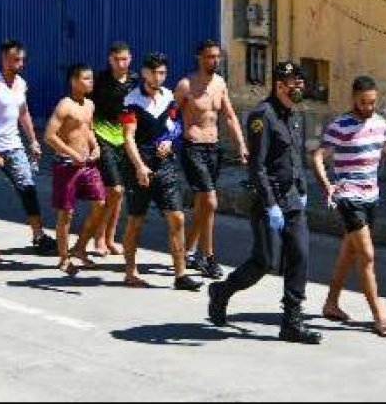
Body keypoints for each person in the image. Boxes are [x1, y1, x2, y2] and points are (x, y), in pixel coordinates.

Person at [207, 61, 320, 343]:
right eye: (294, 83)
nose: (299, 88)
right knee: (265, 262)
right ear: (280, 85)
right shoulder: (262, 116)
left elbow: (295, 157)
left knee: (300, 255)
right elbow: (257, 166)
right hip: (267, 199)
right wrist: (270, 204)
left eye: (301, 83)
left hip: (293, 198)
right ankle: (222, 292)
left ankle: (292, 321)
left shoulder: (295, 116)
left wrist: (303, 188)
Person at [313, 76, 386, 337]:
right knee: (366, 255)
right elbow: (318, 156)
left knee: (349, 253)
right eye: (363, 102)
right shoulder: (340, 126)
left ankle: (331, 303)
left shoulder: (379, 124)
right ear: (354, 98)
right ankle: (379, 316)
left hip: (371, 198)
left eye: (373, 102)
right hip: (348, 197)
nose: (368, 107)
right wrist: (327, 184)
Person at [120, 52, 201, 292]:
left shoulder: (168, 97)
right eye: (154, 72)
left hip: (165, 165)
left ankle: (181, 275)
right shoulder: (131, 100)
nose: (159, 77)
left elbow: (175, 124)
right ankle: (130, 271)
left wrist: (169, 139)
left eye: (163, 72)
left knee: (177, 217)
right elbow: (128, 138)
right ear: (144, 73)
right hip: (139, 167)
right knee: (136, 220)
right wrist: (139, 166)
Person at [176, 39, 248, 280]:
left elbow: (228, 116)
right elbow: (169, 116)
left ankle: (187, 252)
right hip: (192, 147)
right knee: (211, 201)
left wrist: (241, 143)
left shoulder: (220, 84)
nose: (214, 61)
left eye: (217, 57)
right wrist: (164, 142)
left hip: (213, 148)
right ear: (200, 58)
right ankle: (208, 257)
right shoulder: (186, 85)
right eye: (209, 57)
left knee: (203, 205)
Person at [0, 40, 57, 255]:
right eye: (15, 60)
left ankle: (39, 236)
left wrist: (32, 140)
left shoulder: (21, 83)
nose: (19, 64)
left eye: (22, 60)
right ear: (4, 59)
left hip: (14, 146)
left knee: (27, 188)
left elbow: (23, 112)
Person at [43, 64, 108, 276]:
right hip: (66, 166)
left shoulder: (89, 104)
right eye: (86, 78)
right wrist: (72, 154)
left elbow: (87, 129)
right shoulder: (65, 106)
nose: (91, 82)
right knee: (66, 214)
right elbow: (50, 136)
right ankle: (63, 258)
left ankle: (80, 247)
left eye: (92, 78)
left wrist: (95, 146)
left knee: (101, 202)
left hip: (87, 164)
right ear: (74, 81)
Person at [89, 41, 138, 257]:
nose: (121, 63)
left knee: (119, 194)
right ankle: (98, 237)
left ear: (130, 58)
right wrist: (89, 140)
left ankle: (110, 238)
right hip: (103, 138)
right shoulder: (99, 81)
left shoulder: (136, 81)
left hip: (126, 140)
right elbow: (87, 110)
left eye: (124, 59)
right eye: (117, 59)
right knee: (114, 189)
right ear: (110, 60)